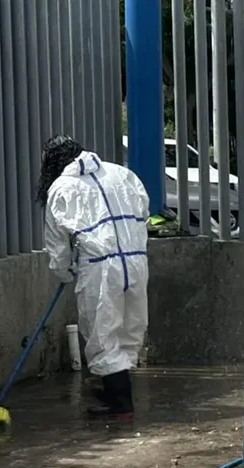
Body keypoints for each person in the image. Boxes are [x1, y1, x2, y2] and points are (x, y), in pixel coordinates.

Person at [37, 135, 151, 421]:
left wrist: (63, 271)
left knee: (101, 333)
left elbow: (57, 243)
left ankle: (121, 404)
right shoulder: (123, 174)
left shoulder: (62, 187)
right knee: (128, 329)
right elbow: (144, 212)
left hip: (100, 267)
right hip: (136, 261)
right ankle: (117, 393)